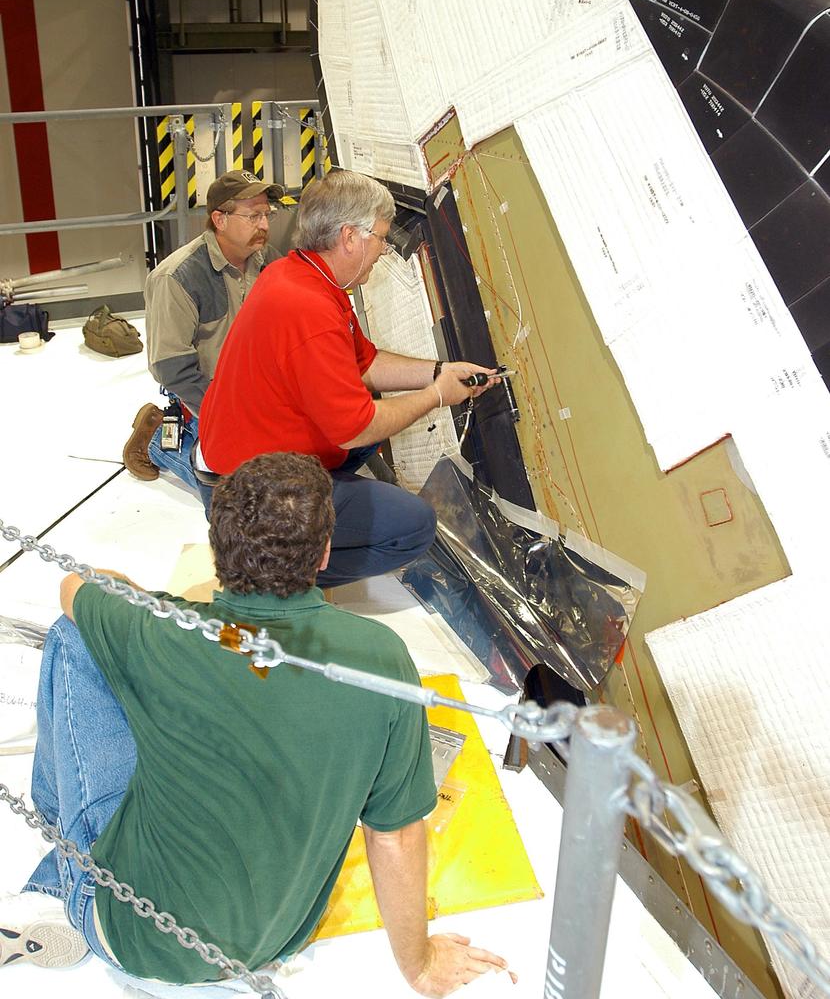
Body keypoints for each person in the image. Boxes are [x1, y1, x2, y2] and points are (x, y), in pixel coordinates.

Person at [1, 453, 511, 996]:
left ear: (217, 547)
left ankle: (59, 882)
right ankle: (61, 878)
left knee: (74, 637)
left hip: (129, 935)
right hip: (274, 942)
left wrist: (155, 609)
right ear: (324, 555)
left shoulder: (163, 633)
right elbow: (397, 835)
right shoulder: (383, 659)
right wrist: (421, 965)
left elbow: (78, 588)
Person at [198, 169, 499, 587]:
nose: (383, 249)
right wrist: (435, 396)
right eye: (379, 236)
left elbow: (366, 363)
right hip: (246, 495)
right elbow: (353, 429)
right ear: (349, 237)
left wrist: (438, 372)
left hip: (244, 459)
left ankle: (290, 539)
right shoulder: (310, 310)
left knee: (380, 420)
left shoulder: (299, 274)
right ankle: (266, 574)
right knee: (413, 526)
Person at [122, 171, 283, 506]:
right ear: (219, 220)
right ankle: (159, 442)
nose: (264, 225)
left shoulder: (267, 260)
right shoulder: (177, 277)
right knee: (246, 496)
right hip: (208, 395)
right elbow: (172, 369)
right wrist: (230, 415)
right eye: (253, 216)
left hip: (258, 391)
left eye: (267, 214)